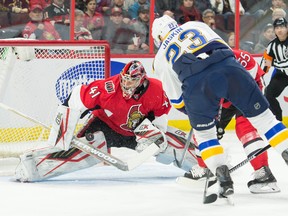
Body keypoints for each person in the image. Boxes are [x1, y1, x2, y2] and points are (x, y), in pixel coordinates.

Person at [152, 15, 288, 200]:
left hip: (199, 85)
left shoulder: (160, 58)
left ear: (158, 37)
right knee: (267, 121)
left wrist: (200, 114)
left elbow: (178, 101)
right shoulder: (194, 24)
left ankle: (221, 176)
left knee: (206, 135)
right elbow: (224, 49)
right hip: (229, 68)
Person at [14, 60, 198, 182]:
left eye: (131, 82)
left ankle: (205, 164)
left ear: (142, 80)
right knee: (76, 152)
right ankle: (32, 168)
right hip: (105, 126)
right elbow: (76, 97)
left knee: (169, 143)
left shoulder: (156, 89)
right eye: (124, 80)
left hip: (137, 131)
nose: (126, 85)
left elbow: (160, 114)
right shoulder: (107, 88)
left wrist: (155, 135)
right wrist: (63, 131)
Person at [184, 49, 280, 194]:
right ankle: (205, 168)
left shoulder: (242, 57)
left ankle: (263, 174)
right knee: (205, 130)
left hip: (247, 94)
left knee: (246, 131)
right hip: (221, 101)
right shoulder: (199, 64)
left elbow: (258, 81)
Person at [261, 17, 288, 121]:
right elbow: (265, 63)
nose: (279, 30)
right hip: (282, 75)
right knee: (268, 94)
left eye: (282, 27)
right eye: (277, 28)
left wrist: (274, 63)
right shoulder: (272, 46)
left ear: (287, 27)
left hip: (282, 70)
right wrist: (259, 76)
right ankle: (278, 120)